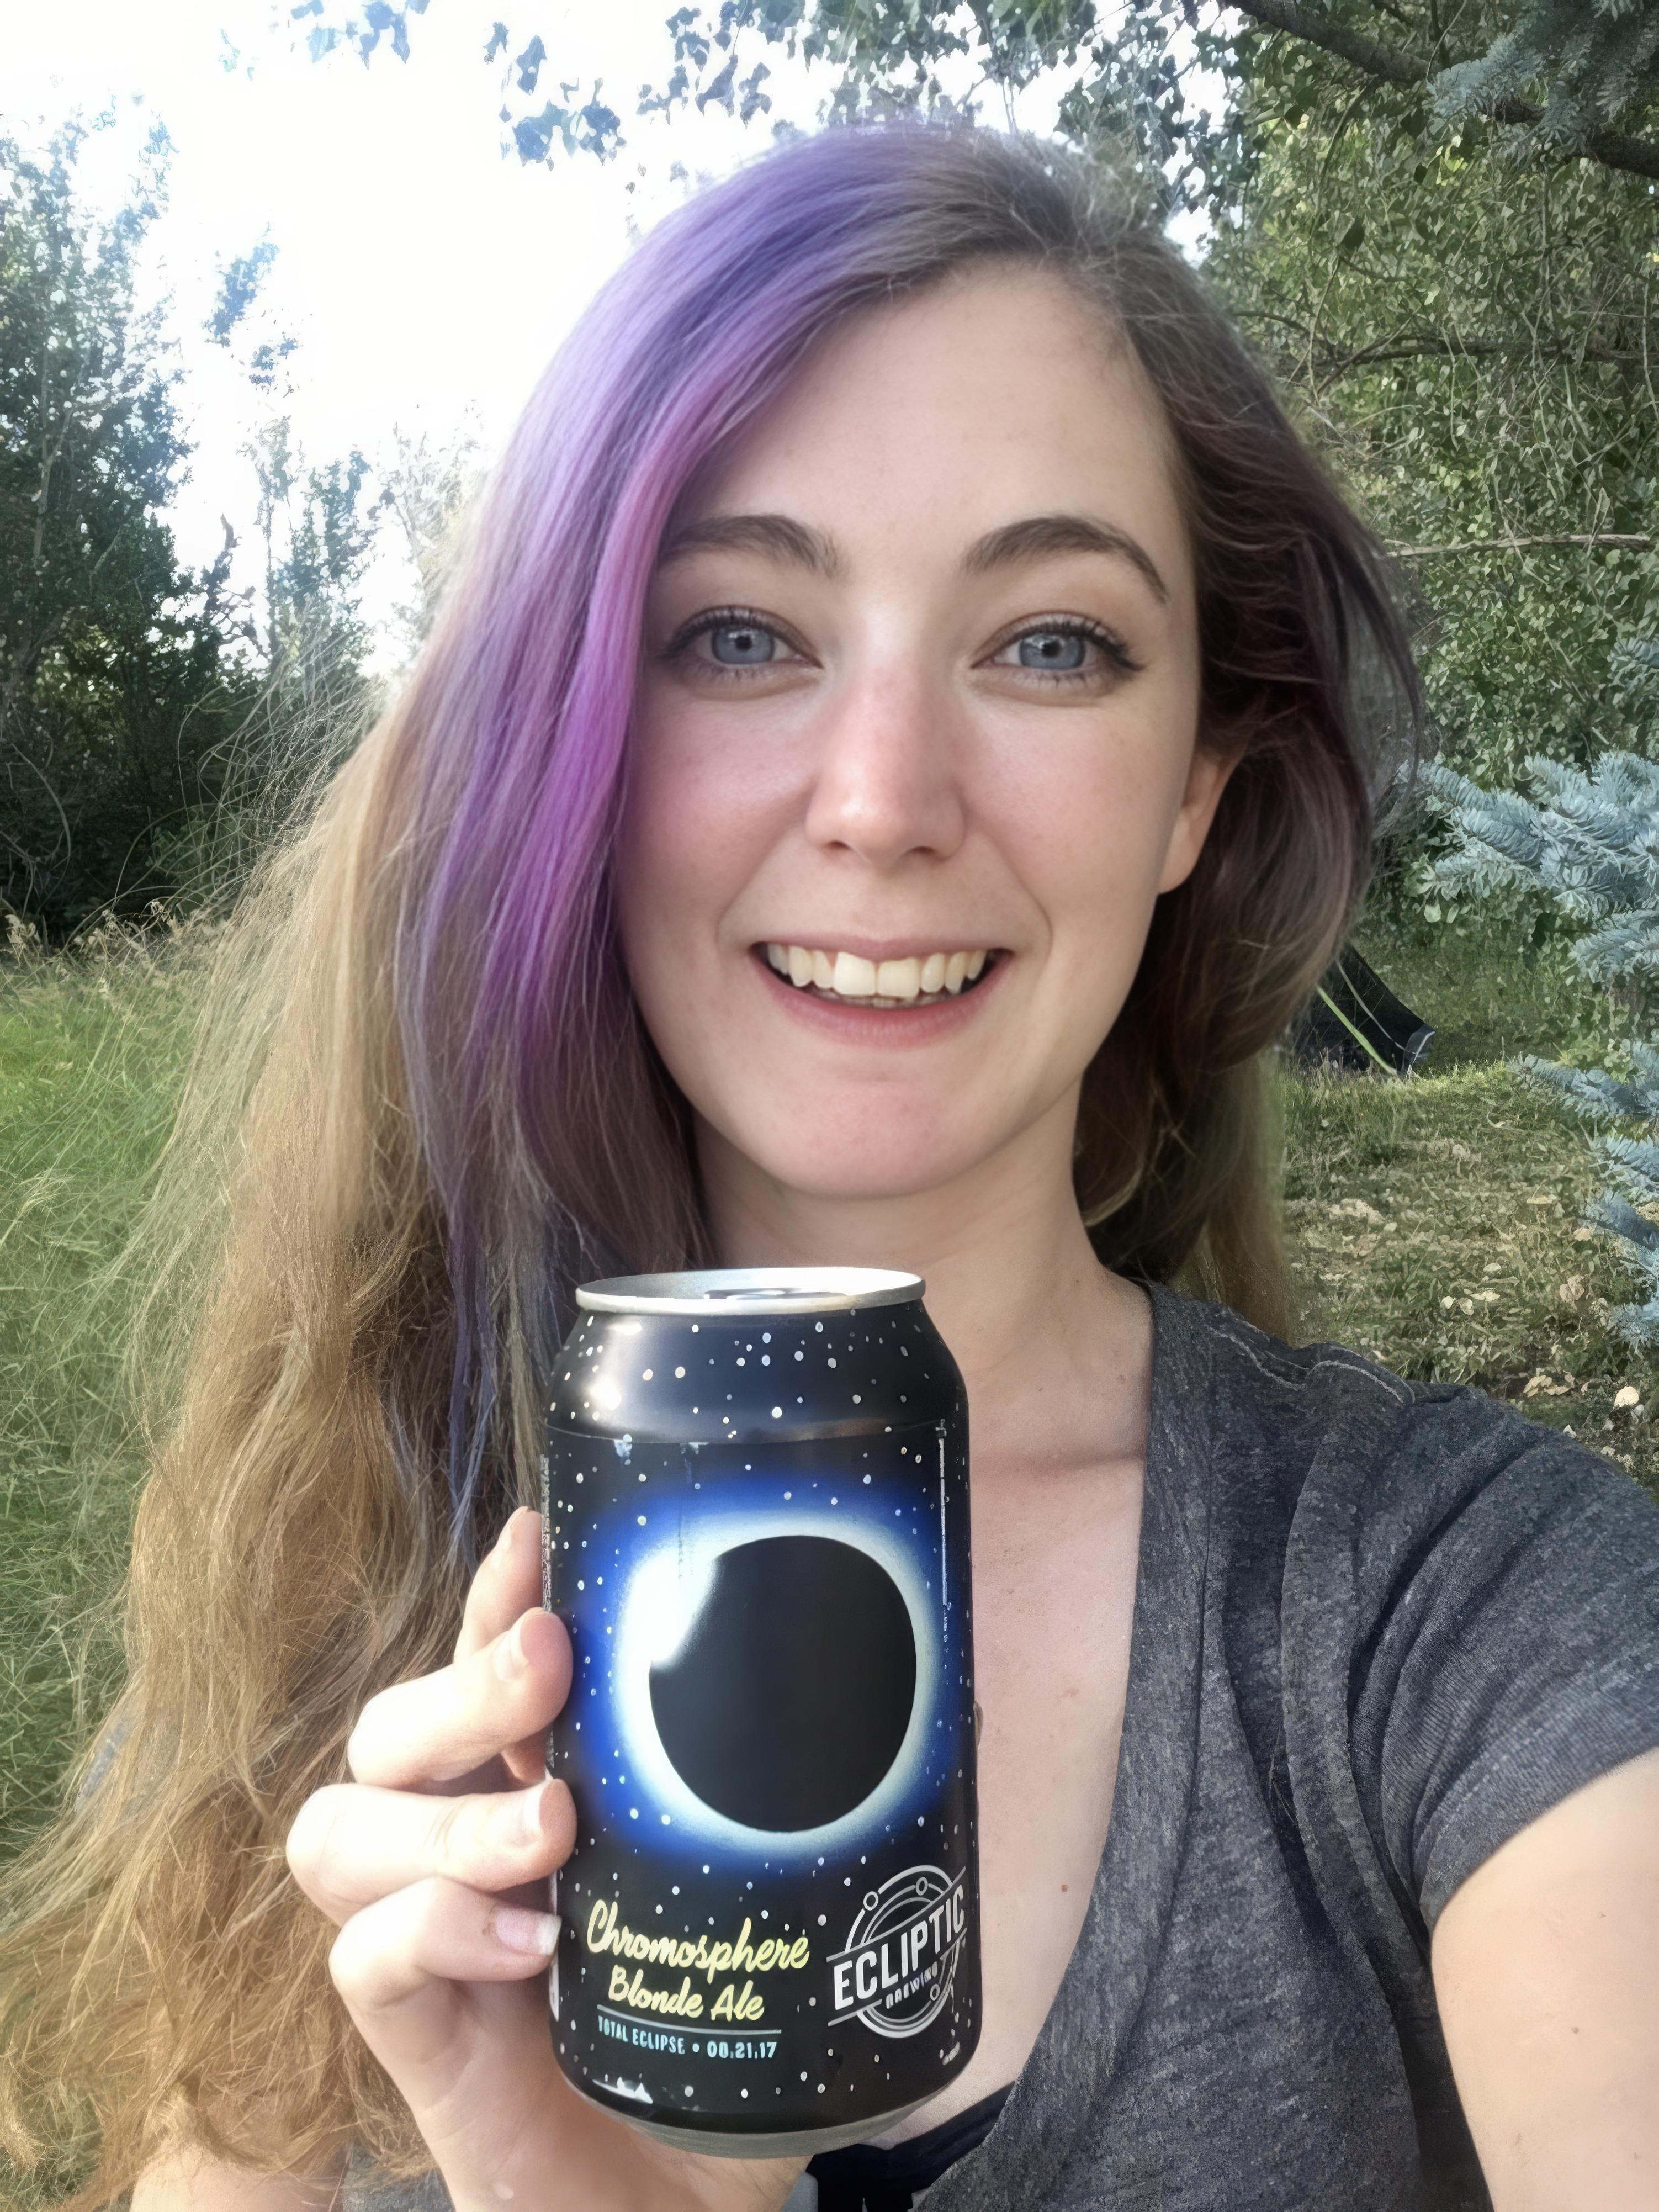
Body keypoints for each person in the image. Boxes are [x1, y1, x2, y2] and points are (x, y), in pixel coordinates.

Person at [2, 123, 1656, 2212]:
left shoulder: (1476, 1622)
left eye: (1050, 642)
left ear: (1194, 794)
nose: (883, 802)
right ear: (570, 743)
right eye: (739, 636)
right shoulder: (339, 1594)